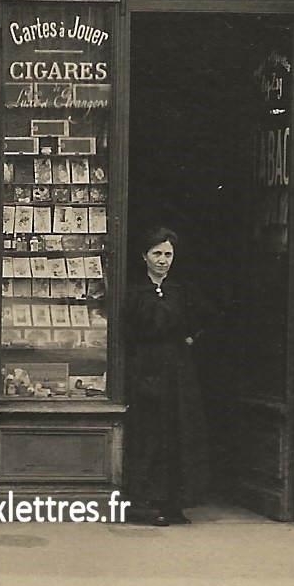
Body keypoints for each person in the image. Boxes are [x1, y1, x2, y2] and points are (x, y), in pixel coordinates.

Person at [121, 225, 212, 526]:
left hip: (177, 371)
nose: (162, 260)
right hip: (145, 368)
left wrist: (190, 338)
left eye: (168, 254)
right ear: (143, 256)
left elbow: (204, 319)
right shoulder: (133, 291)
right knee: (149, 434)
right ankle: (146, 503)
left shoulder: (181, 291)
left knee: (177, 432)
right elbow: (127, 331)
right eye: (157, 253)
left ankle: (174, 501)